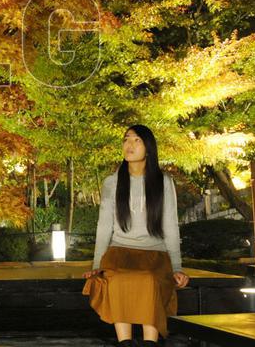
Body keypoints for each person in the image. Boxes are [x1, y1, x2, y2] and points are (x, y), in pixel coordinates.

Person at [82, 125, 189, 346]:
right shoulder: (112, 182)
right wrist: (96, 263)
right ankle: (125, 342)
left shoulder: (164, 182)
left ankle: (151, 342)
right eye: (126, 139)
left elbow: (170, 226)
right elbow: (104, 226)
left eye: (136, 140)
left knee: (149, 280)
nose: (129, 145)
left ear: (148, 148)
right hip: (119, 252)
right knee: (118, 279)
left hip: (154, 254)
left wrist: (176, 267)